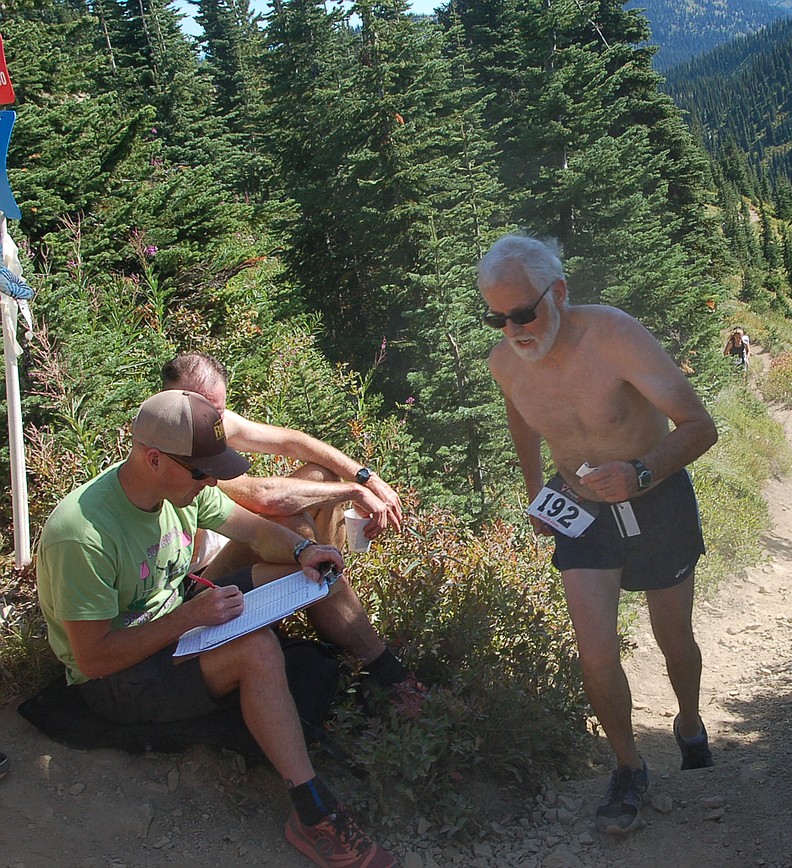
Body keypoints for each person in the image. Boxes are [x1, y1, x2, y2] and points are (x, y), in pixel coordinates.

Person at [36, 390, 400, 868]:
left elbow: (251, 529)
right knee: (258, 650)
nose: (210, 481)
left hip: (179, 623)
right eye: (201, 472)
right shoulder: (82, 536)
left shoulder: (179, 485)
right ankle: (312, 815)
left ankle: (390, 677)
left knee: (308, 575)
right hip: (116, 679)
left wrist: (300, 552)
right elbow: (94, 659)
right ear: (153, 459)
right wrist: (190, 617)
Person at [477, 234, 719, 835]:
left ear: (558, 293)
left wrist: (640, 471)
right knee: (595, 648)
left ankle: (688, 723)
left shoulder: (613, 336)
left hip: (656, 497)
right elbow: (519, 412)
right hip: (581, 511)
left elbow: (699, 425)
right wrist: (536, 489)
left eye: (523, 313)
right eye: (496, 317)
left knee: (673, 637)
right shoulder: (506, 361)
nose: (512, 330)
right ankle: (628, 766)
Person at [161, 352, 403, 576]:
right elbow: (262, 497)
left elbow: (292, 442)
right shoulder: (170, 447)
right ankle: (328, 587)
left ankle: (331, 580)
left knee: (323, 475)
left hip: (235, 543)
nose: (210, 422)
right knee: (290, 524)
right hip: (198, 578)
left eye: (217, 413)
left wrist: (365, 477)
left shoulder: (215, 424)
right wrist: (353, 492)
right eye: (200, 413)